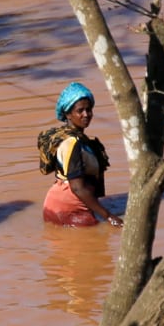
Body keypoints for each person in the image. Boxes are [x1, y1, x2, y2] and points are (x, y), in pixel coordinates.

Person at [39, 82, 121, 227]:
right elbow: (77, 187)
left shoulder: (64, 137)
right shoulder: (74, 143)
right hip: (69, 207)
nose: (86, 115)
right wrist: (109, 216)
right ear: (68, 114)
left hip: (54, 204)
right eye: (80, 110)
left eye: (89, 110)